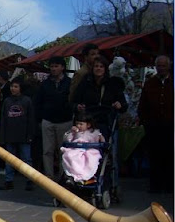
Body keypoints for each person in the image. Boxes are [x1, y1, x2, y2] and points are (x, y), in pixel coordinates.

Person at [71, 55, 127, 189]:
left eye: (101, 66)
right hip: (88, 123)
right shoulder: (86, 82)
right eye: (96, 66)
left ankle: (110, 185)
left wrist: (120, 105)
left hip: (106, 121)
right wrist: (77, 106)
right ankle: (82, 180)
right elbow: (74, 100)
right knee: (83, 152)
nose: (98, 69)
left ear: (105, 68)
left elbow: (123, 104)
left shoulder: (112, 84)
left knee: (107, 155)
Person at [138, 55, 173, 193]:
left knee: (170, 156)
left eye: (164, 66)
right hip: (154, 126)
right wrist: (145, 121)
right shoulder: (150, 83)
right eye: (159, 66)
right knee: (155, 156)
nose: (161, 68)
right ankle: (155, 185)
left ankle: (170, 184)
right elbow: (143, 105)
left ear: (169, 66)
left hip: (171, 126)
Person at [35, 56, 72, 180]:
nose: (54, 69)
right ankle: (49, 176)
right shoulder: (45, 84)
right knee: (47, 151)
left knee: (64, 150)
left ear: (62, 67)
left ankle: (64, 176)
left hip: (65, 120)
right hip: (48, 120)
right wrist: (40, 119)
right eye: (51, 66)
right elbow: (38, 102)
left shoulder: (69, 83)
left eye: (56, 66)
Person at [0, 78, 34, 190]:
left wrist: (30, 135)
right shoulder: (7, 101)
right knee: (9, 159)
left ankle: (30, 180)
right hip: (10, 134)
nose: (13, 89)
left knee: (26, 159)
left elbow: (31, 119)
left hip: (23, 135)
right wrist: (2, 136)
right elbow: (3, 119)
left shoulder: (27, 101)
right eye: (12, 86)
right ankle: (9, 180)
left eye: (16, 86)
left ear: (21, 88)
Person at [61, 112, 105, 183]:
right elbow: (67, 140)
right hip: (76, 150)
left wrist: (101, 138)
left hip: (90, 150)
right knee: (68, 156)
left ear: (88, 125)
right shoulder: (75, 132)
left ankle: (85, 176)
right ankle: (73, 175)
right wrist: (71, 132)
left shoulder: (94, 132)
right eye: (77, 124)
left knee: (91, 160)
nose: (78, 126)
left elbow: (102, 141)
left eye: (81, 124)